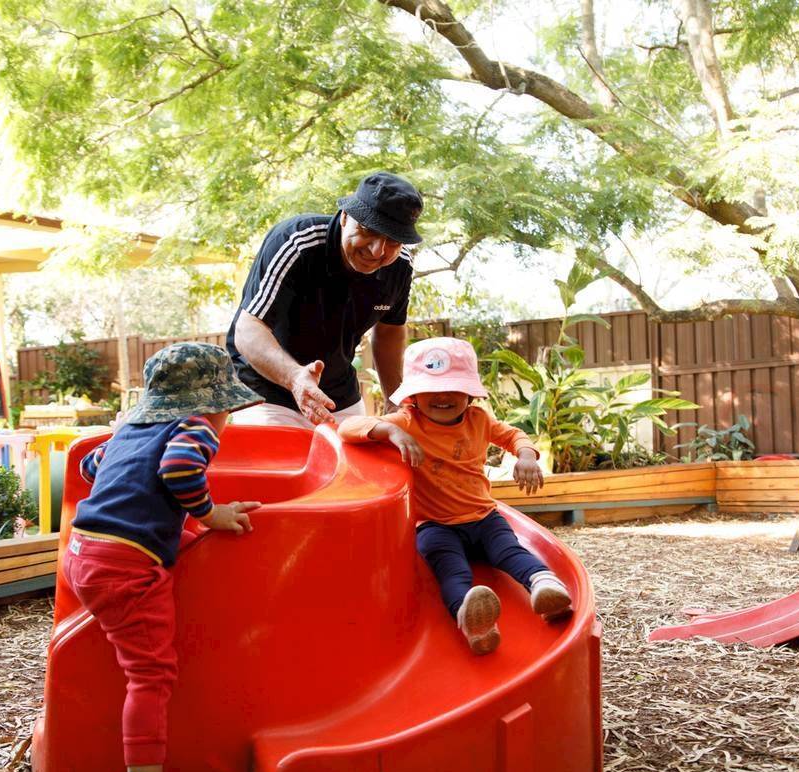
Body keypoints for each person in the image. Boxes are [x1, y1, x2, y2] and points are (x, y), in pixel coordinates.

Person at [66, 342, 264, 772]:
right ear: (217, 404)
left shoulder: (130, 428)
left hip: (84, 550)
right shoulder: (195, 428)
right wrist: (209, 514)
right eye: (228, 410)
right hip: (125, 564)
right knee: (151, 673)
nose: (227, 420)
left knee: (140, 666)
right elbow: (178, 469)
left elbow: (92, 468)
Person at [339, 337, 572, 655]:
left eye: (453, 387)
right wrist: (390, 431)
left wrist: (527, 456)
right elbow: (348, 426)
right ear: (413, 396)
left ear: (470, 392)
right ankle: (472, 620)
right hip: (435, 525)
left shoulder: (479, 420)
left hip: (484, 517)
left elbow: (514, 434)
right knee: (451, 571)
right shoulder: (407, 421)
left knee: (508, 550)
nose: (443, 396)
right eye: (431, 389)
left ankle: (546, 587)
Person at [227, 171, 423, 428]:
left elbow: (388, 332)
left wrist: (394, 400)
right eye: (368, 231)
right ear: (344, 217)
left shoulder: (400, 265)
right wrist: (295, 378)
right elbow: (248, 328)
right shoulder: (296, 242)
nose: (377, 250)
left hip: (338, 393)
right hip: (267, 389)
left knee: (354, 465)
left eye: (392, 240)